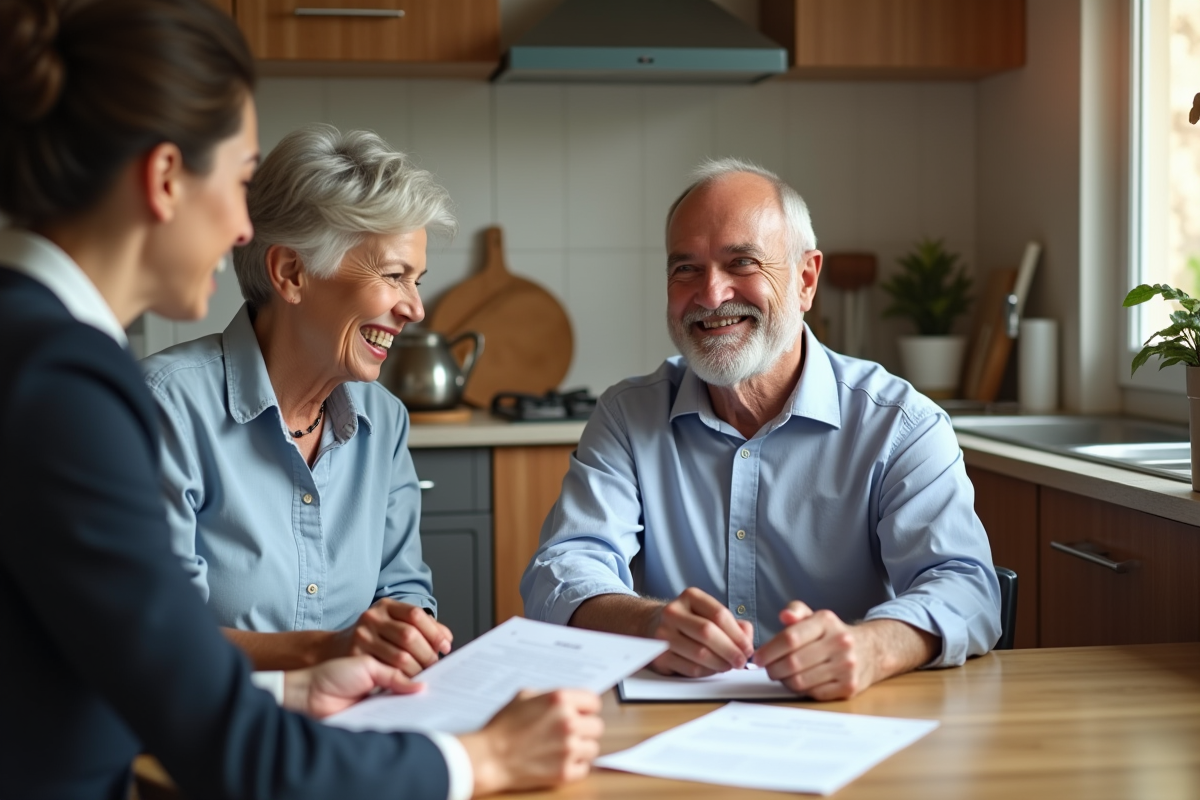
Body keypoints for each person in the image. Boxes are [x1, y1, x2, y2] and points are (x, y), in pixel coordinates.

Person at [0, 1, 602, 798]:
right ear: (166, 179)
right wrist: (484, 760)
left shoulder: (37, 347)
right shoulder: (65, 379)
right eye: (243, 180)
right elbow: (213, 732)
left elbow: (123, 670)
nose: (243, 229)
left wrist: (295, 683)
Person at [521, 158, 1001, 701]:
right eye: (685, 269)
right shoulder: (628, 417)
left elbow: (967, 587)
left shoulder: (900, 425)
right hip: (671, 727)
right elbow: (561, 571)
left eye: (741, 262)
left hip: (849, 722)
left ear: (805, 278)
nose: (710, 295)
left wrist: (872, 648)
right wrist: (649, 625)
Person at [142, 123, 452, 672]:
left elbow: (401, 586)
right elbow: (162, 634)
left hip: (354, 720)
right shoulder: (166, 407)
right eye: (395, 275)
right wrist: (326, 653)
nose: (414, 309)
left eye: (417, 281)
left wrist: (405, 636)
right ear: (291, 273)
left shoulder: (385, 420)